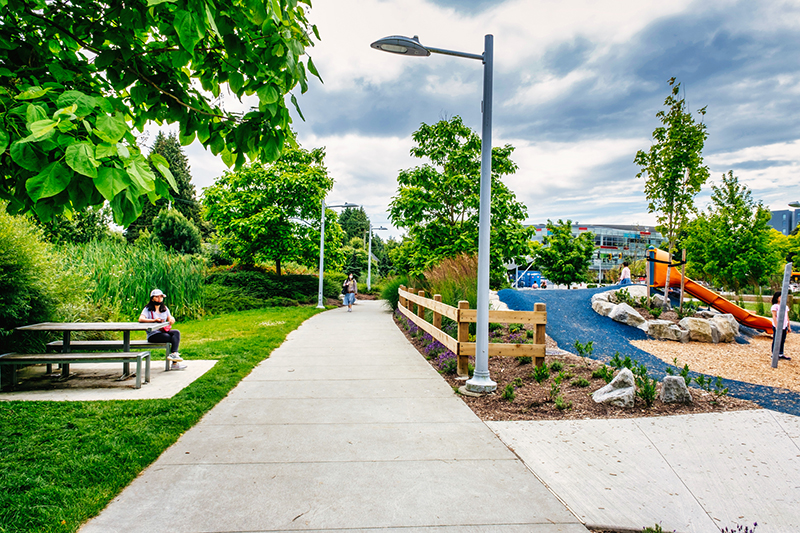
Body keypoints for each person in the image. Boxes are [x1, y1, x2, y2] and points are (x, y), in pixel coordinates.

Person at [139, 288, 186, 370]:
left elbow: (170, 317)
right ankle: (174, 363)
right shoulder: (148, 309)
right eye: (157, 297)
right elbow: (141, 319)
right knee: (171, 338)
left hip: (163, 331)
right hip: (153, 334)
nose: (159, 299)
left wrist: (172, 319)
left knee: (176, 333)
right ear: (152, 298)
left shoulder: (164, 308)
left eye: (161, 297)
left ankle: (174, 354)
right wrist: (154, 320)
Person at [771, 291, 791, 361]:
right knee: (776, 339)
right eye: (780, 296)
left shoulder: (785, 306)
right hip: (777, 326)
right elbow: (774, 316)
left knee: (782, 339)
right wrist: (776, 326)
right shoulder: (775, 306)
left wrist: (789, 326)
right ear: (777, 298)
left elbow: (787, 316)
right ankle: (774, 354)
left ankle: (780, 353)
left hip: (784, 326)